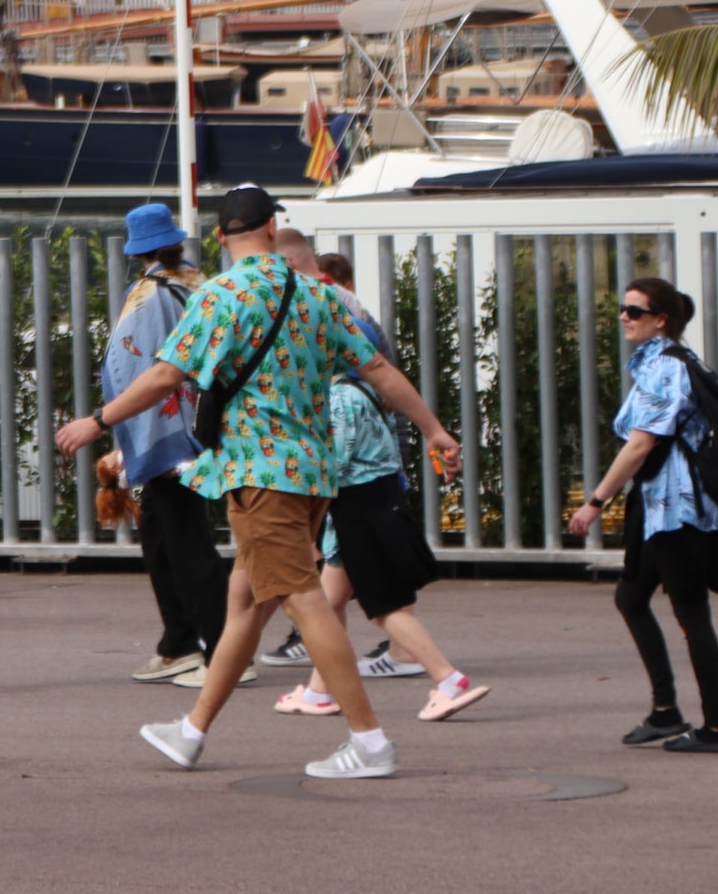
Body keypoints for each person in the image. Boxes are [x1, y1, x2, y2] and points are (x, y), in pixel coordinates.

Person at [58, 186, 459, 779]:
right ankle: (191, 732)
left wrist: (98, 420)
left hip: (258, 472)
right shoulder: (317, 292)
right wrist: (432, 429)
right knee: (245, 601)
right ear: (273, 227)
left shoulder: (220, 294)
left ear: (220, 237)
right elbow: (376, 369)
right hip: (314, 473)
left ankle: (370, 741)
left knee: (302, 599)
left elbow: (167, 374)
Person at [569, 275, 718, 754]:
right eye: (622, 308)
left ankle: (717, 729)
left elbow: (641, 443)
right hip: (657, 506)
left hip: (678, 509)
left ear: (660, 320)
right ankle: (666, 711)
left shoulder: (667, 366)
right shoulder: (660, 363)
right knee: (631, 597)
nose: (624, 316)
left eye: (635, 311)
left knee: (691, 613)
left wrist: (595, 501)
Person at [260, 234, 426, 683]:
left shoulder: (330, 318)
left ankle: (436, 672)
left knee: (373, 594)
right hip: (368, 481)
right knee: (345, 586)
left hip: (357, 488)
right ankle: (324, 677)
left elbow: (345, 444)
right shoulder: (336, 306)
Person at [101, 203, 241, 690]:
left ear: (136, 251)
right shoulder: (196, 283)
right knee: (164, 537)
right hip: (202, 426)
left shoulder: (146, 296)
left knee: (185, 543)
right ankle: (178, 641)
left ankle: (223, 651)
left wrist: (119, 433)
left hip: (165, 431)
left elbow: (132, 369)